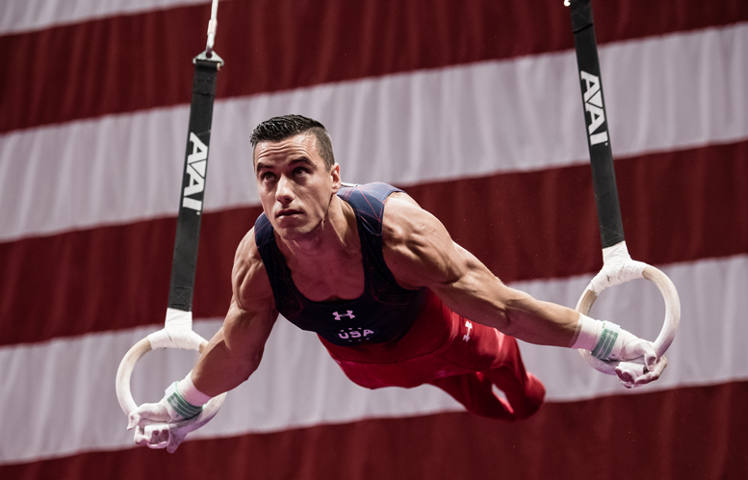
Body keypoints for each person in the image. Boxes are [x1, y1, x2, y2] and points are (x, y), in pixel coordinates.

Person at [127, 115, 666, 452]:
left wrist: (605, 340)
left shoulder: (396, 234)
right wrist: (182, 403)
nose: (282, 191)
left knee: (517, 394)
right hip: (365, 369)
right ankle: (454, 379)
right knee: (452, 387)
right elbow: (237, 353)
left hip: (441, 334)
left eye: (299, 172)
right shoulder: (258, 262)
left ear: (335, 178)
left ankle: (507, 373)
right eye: (268, 178)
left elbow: (503, 307)